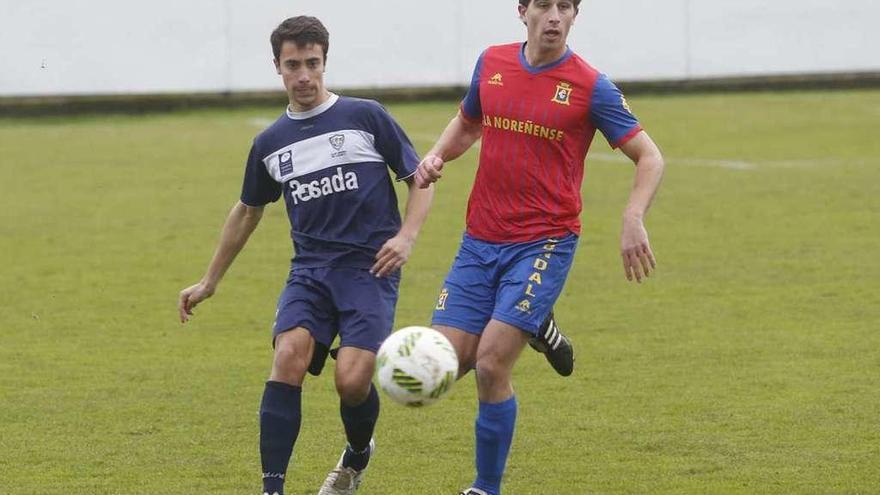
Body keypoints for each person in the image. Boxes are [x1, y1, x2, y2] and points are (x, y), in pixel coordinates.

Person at [414, 1, 665, 493]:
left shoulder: (591, 86)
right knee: (445, 365)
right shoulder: (492, 63)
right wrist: (437, 155)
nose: (554, 16)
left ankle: (485, 488)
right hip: (480, 239)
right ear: (522, 10)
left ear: (575, 16)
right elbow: (468, 123)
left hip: (544, 242)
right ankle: (538, 324)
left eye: (565, 7)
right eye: (544, 5)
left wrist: (633, 216)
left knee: (490, 364)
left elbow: (650, 157)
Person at [177, 16, 433, 495]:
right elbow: (247, 211)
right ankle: (272, 488)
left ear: (324, 62)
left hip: (369, 269)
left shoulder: (366, 116)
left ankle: (356, 456)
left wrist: (407, 237)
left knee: (352, 382)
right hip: (310, 273)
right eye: (292, 65)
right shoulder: (271, 143)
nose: (304, 76)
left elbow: (419, 177)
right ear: (277, 67)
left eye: (312, 63)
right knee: (288, 357)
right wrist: (209, 281)